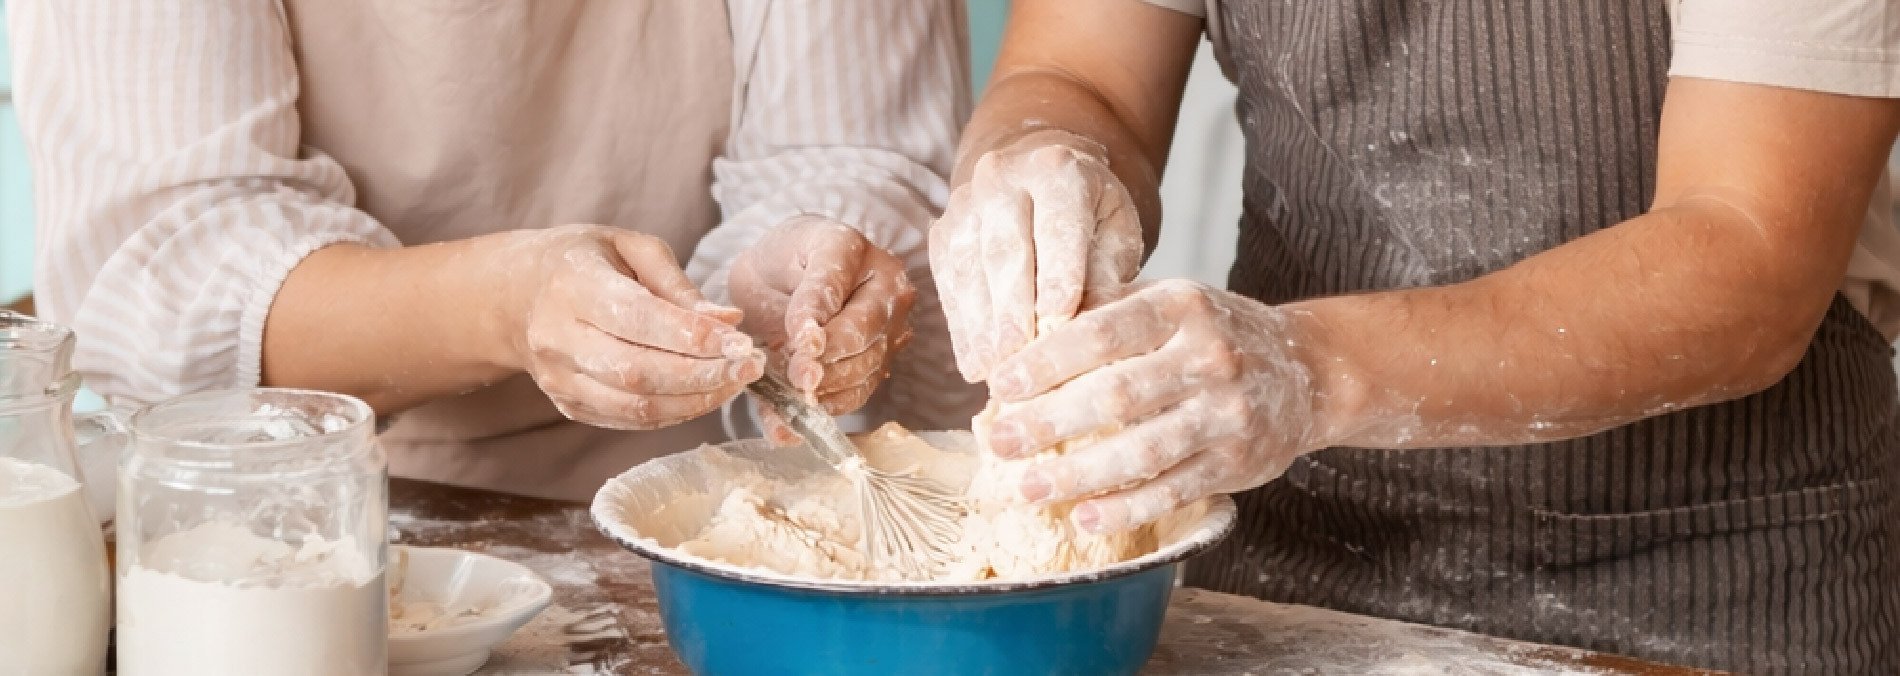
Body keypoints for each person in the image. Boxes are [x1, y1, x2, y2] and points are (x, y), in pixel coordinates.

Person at [931, 0, 1900, 671]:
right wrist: (1044, 155)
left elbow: (1748, 253)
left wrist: (1307, 371)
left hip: (1708, 585)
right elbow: (1079, 72)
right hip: (1296, 575)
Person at [11, 0, 982, 500]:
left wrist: (793, 285)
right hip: (332, 518)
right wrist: (507, 302)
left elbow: (851, 150)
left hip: (744, 501)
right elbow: (162, 268)